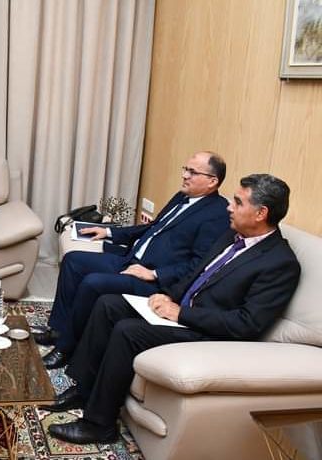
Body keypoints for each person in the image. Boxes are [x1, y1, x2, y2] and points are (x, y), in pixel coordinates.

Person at [45, 174, 301, 445]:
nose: (229, 206)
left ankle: (100, 425)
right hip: (182, 312)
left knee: (128, 331)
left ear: (261, 213)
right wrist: (167, 295)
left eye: (238, 202)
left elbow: (246, 324)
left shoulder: (280, 264)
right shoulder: (232, 235)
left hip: (210, 333)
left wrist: (180, 313)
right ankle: (84, 390)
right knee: (108, 304)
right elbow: (196, 273)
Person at [35, 151, 230, 369]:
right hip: (131, 260)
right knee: (73, 261)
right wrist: (109, 233)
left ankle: (66, 348)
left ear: (212, 181)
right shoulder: (183, 197)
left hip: (153, 280)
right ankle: (58, 330)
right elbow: (152, 227)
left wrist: (154, 274)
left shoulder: (218, 214)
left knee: (93, 283)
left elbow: (199, 265)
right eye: (185, 169)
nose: (185, 175)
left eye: (192, 172)